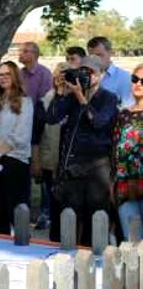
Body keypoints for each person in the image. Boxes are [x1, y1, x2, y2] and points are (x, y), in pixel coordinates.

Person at [46, 55, 119, 245]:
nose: (86, 75)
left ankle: (95, 263)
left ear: (102, 75)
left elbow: (98, 122)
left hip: (98, 168)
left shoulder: (108, 98)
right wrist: (61, 93)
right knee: (70, 216)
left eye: (91, 72)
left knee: (95, 219)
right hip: (73, 166)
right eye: (83, 71)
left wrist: (81, 98)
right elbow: (51, 118)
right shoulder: (70, 96)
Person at [0, 61, 33, 235]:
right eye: (0, 75)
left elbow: (20, 135)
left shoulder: (25, 103)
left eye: (7, 74)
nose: (3, 78)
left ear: (15, 76)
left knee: (16, 211)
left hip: (15, 161)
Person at [31, 62, 71, 231]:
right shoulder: (44, 103)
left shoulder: (79, 102)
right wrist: (36, 161)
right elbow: (36, 135)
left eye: (65, 77)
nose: (61, 81)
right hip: (49, 159)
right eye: (58, 77)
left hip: (72, 162)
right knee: (51, 197)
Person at [114, 63, 143, 240]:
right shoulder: (123, 114)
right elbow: (114, 150)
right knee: (131, 245)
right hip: (125, 187)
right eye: (135, 79)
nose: (138, 83)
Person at [87, 36, 134, 106]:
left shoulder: (124, 77)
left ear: (110, 53)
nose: (95, 60)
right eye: (91, 56)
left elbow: (128, 108)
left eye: (99, 55)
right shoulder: (86, 75)